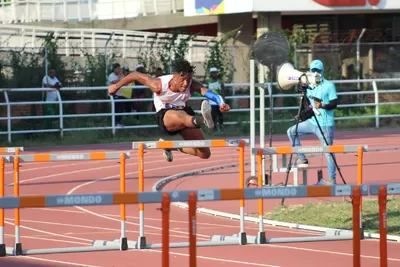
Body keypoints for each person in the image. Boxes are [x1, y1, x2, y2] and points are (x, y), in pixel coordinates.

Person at [108, 58, 231, 161]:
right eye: (182, 80)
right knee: (180, 115)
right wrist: (116, 86)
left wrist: (221, 103)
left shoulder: (192, 84)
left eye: (188, 81)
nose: (185, 84)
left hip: (186, 115)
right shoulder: (159, 85)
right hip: (166, 116)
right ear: (175, 77)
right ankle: (203, 120)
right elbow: (135, 75)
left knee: (204, 153)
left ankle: (170, 147)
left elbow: (212, 95)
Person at [286, 59, 338, 185]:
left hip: (325, 124)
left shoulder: (329, 85)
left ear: (322, 71)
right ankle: (301, 158)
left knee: (328, 152)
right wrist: (301, 117)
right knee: (291, 131)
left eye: (318, 70)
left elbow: (334, 104)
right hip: (313, 122)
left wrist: (323, 105)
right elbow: (310, 108)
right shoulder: (309, 87)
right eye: (313, 70)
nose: (315, 73)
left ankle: (332, 180)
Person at [207, 67, 225, 133]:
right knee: (213, 115)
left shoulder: (220, 81)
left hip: (219, 101)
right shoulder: (209, 81)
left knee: (220, 115)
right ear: (211, 74)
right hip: (212, 101)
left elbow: (223, 90)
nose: (214, 74)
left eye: (215, 72)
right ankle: (214, 129)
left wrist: (223, 99)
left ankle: (221, 127)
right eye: (213, 73)